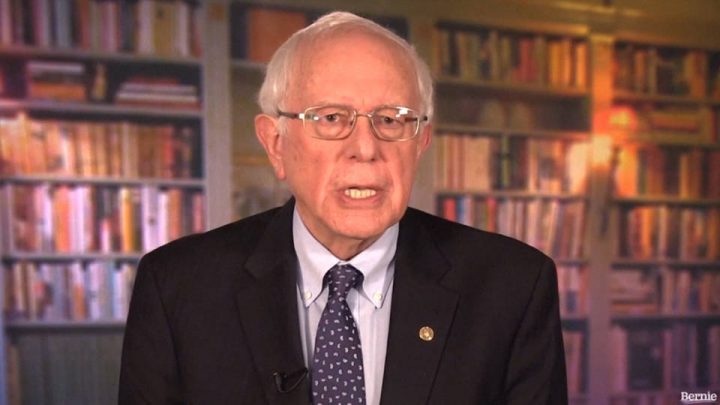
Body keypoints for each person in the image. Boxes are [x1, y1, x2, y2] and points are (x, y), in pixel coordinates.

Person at [119, 11, 567, 405]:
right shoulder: (176, 288)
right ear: (275, 143)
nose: (366, 149)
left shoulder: (514, 287)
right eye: (332, 118)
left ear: (421, 143)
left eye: (391, 119)